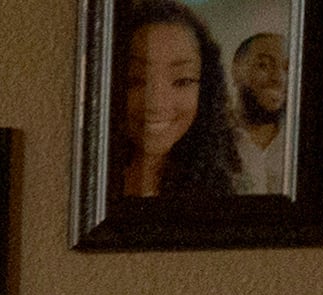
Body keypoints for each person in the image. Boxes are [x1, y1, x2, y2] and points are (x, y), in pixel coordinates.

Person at [110, 1, 252, 208]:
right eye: (135, 80)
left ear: (205, 93)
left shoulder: (226, 188)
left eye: (182, 81)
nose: (156, 103)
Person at [229, 24, 299, 196]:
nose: (278, 78)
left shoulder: (300, 141)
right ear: (236, 71)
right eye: (264, 65)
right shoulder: (208, 140)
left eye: (287, 69)